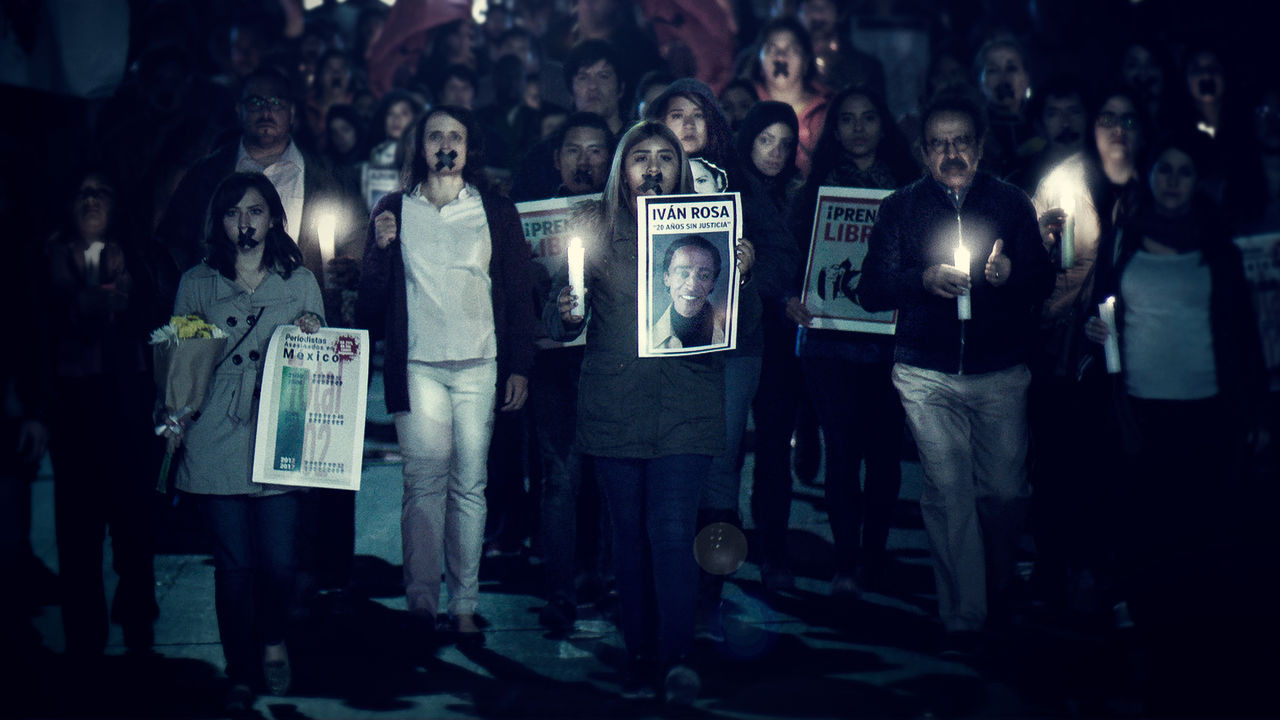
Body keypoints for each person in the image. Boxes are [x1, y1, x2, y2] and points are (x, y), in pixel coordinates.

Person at [545, 121, 754, 704]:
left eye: (666, 157)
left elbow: (743, 328)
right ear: (623, 169)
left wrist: (743, 276)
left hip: (686, 405)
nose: (654, 168)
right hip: (615, 405)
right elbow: (562, 313)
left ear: (681, 170)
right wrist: (564, 312)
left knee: (669, 532)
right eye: (641, 158)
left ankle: (677, 656)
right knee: (629, 537)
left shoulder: (712, 228)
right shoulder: (593, 226)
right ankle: (639, 653)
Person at [859, 92, 1053, 648]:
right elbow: (872, 288)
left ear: (980, 146)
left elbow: (1040, 281)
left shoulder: (1011, 204)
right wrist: (921, 280)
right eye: (939, 143)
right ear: (922, 152)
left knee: (1005, 492)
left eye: (961, 141)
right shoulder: (901, 207)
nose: (951, 153)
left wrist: (1011, 273)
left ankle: (997, 579)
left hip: (998, 369)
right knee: (948, 492)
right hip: (927, 370)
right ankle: (965, 616)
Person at [1082, 134, 1266, 715]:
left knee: (1201, 536)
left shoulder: (1218, 248)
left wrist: (1254, 410)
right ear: (1151, 176)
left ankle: (1200, 665)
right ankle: (1152, 655)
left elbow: (1243, 332)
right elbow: (1105, 308)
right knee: (1148, 535)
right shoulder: (1126, 238)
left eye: (1184, 173)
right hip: (1142, 409)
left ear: (1197, 181)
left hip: (1208, 410)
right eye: (1165, 171)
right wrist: (1098, 333)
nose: (1173, 182)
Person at [355, 106, 535, 643]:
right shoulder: (394, 209)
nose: (445, 144)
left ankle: (464, 604)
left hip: (479, 364)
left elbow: (516, 291)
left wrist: (520, 366)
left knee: (469, 486)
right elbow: (369, 304)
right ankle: (420, 602)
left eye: (454, 135)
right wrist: (382, 249)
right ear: (420, 146)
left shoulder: (494, 210)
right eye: (435, 135)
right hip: (418, 367)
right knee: (423, 485)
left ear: (468, 146)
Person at [171, 172, 325, 710]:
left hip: (278, 426)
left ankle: (273, 637)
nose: (245, 221)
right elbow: (182, 366)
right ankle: (238, 668)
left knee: (280, 561)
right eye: (234, 211)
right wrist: (177, 422)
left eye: (256, 211)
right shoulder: (197, 282)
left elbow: (324, 365)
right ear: (219, 220)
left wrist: (313, 328)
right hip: (217, 428)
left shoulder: (300, 280)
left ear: (273, 218)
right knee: (234, 565)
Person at [783, 87, 918, 595]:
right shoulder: (811, 193)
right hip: (829, 345)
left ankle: (875, 557)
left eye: (868, 118)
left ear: (884, 127)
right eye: (847, 120)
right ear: (833, 131)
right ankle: (845, 561)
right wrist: (789, 300)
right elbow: (792, 262)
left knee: (884, 455)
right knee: (842, 452)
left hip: (889, 342)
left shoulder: (910, 192)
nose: (858, 128)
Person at [44, 170, 160, 658]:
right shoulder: (48, 258)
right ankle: (84, 642)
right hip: (74, 405)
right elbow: (35, 328)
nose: (91, 201)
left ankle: (138, 628)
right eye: (82, 192)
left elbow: (154, 318)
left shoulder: (132, 254)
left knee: (134, 527)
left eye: (101, 193)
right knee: (78, 530)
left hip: (126, 401)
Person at [511, 40, 627, 201]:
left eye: (603, 76)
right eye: (583, 77)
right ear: (571, 89)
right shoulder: (542, 157)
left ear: (621, 87)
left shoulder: (636, 146)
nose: (593, 86)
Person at [750, 17, 830, 177]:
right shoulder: (744, 105)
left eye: (791, 49)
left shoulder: (829, 109)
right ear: (759, 61)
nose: (781, 56)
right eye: (772, 49)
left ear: (806, 61)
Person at [974, 36, 1040, 180]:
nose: (1003, 78)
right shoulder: (972, 130)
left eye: (1011, 69)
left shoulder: (1042, 126)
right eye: (993, 70)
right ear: (980, 81)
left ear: (1027, 77)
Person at [650, 235, 727, 350]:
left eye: (704, 276)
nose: (692, 285)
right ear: (667, 278)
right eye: (683, 274)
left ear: (713, 283)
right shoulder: (647, 336)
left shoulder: (727, 329)